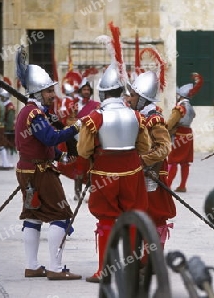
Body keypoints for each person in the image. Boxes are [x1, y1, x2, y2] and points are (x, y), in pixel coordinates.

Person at [77, 63, 151, 283]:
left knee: (106, 220)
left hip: (104, 175)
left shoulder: (94, 118)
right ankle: (130, 269)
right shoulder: (136, 116)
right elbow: (145, 147)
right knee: (132, 219)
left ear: (102, 92)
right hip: (133, 174)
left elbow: (83, 150)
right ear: (121, 92)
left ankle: (104, 270)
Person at [15, 50, 82, 280]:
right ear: (37, 92)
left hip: (28, 170)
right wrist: (75, 128)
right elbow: (51, 138)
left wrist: (60, 157)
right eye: (48, 91)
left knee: (33, 217)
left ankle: (32, 265)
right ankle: (55, 267)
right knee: (60, 215)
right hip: (39, 172)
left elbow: (45, 145)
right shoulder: (34, 114)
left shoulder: (31, 112)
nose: (52, 94)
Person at [126, 69, 176, 249]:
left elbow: (164, 148)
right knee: (139, 213)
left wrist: (141, 160)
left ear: (142, 98)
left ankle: (154, 259)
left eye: (132, 96)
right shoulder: (134, 117)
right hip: (138, 173)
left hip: (153, 174)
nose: (129, 99)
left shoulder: (154, 119)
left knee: (155, 214)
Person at [58, 72, 100, 201]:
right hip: (77, 139)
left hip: (91, 138)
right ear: (81, 91)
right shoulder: (74, 105)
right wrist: (78, 123)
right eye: (84, 89)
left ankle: (92, 193)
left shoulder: (96, 105)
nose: (86, 91)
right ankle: (77, 193)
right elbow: (67, 120)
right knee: (79, 167)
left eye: (88, 89)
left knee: (93, 167)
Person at [166, 73, 203, 192]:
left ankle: (167, 185)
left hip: (178, 135)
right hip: (188, 135)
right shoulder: (190, 107)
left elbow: (170, 123)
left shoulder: (179, 108)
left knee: (173, 161)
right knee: (185, 163)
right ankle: (182, 185)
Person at [0, 88, 16, 169]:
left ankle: (11, 163)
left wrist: (7, 130)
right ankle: (6, 162)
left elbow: (10, 120)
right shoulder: (5, 105)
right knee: (6, 146)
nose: (1, 98)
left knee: (10, 146)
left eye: (2, 96)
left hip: (9, 129)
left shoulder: (10, 106)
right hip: (6, 128)